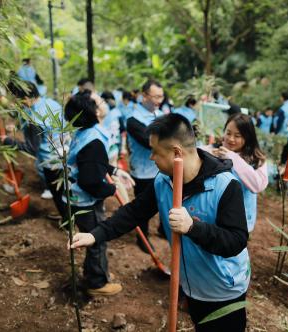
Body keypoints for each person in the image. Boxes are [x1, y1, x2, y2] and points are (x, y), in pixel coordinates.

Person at [69, 113, 250, 331]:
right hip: (191, 284)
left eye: (155, 151)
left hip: (224, 289)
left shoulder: (225, 186)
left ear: (176, 152)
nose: (151, 158)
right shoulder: (164, 181)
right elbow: (134, 212)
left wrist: (192, 227)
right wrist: (94, 235)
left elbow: (236, 241)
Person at [63, 90, 134, 296]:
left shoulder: (87, 132)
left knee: (93, 238)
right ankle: (97, 283)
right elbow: (90, 181)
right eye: (99, 101)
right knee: (96, 239)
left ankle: (94, 275)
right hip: (85, 200)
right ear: (92, 110)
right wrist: (111, 188)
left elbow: (94, 164)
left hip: (76, 195)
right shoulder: (92, 139)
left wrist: (114, 170)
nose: (104, 103)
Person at [4, 79, 66, 217]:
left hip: (52, 161)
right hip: (65, 153)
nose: (15, 103)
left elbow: (31, 148)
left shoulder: (35, 119)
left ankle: (68, 223)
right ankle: (68, 217)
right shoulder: (51, 103)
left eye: (16, 99)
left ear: (25, 98)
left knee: (58, 193)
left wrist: (9, 141)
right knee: (65, 191)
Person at [205, 113, 268, 232]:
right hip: (212, 216)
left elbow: (258, 185)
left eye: (237, 136)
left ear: (248, 137)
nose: (231, 139)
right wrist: (208, 155)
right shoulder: (214, 149)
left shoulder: (256, 159)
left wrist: (232, 157)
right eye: (228, 133)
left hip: (240, 221)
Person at [126, 79, 164, 252]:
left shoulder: (161, 113)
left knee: (164, 200)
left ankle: (163, 230)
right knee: (143, 206)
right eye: (155, 97)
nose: (159, 100)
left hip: (160, 168)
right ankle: (143, 236)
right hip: (142, 171)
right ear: (144, 95)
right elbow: (148, 141)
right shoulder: (133, 119)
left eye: (161, 97)